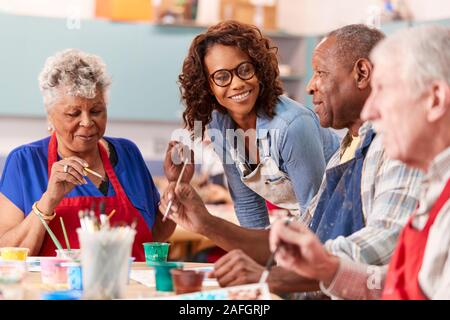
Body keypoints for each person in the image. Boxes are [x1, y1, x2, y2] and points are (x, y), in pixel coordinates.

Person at [159, 24, 422, 295]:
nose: (309, 86)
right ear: (208, 85)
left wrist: (272, 278)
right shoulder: (348, 149)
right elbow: (309, 234)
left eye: (320, 73)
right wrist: (206, 224)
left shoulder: (390, 147)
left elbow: (355, 249)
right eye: (222, 76)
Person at [269, 24, 450, 300]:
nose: (370, 110)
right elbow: (399, 284)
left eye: (384, 91)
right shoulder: (434, 188)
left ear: (435, 99)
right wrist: (327, 268)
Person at [0, 49, 176, 260]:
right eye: (73, 113)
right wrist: (49, 200)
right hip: (58, 290)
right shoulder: (25, 163)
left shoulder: (128, 154)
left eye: (96, 111)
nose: (87, 122)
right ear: (50, 117)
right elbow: (5, 255)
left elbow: (153, 235)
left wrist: (175, 187)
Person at [177, 20, 339, 228]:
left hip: (343, 224)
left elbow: (317, 214)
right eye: (222, 77)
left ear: (259, 69)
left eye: (244, 70)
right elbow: (247, 205)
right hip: (315, 225)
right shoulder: (220, 124)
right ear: (207, 85)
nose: (237, 84)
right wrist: (257, 259)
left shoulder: (292, 125)